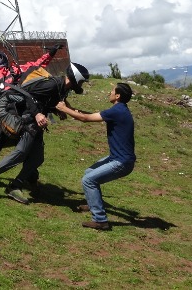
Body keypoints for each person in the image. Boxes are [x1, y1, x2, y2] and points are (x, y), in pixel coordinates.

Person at [0, 62, 90, 204]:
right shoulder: (52, 84)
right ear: (76, 78)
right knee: (21, 152)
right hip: (27, 119)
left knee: (37, 158)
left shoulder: (62, 89)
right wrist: (37, 114)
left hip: (36, 123)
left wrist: (57, 111)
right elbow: (26, 93)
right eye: (81, 82)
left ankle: (15, 186)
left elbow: (45, 101)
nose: (81, 85)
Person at [56, 82, 136, 230]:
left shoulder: (117, 111)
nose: (109, 93)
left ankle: (100, 220)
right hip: (118, 158)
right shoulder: (119, 110)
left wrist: (63, 108)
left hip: (122, 162)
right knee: (89, 173)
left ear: (117, 95)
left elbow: (85, 119)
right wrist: (69, 108)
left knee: (88, 180)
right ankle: (93, 203)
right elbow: (88, 115)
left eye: (112, 91)